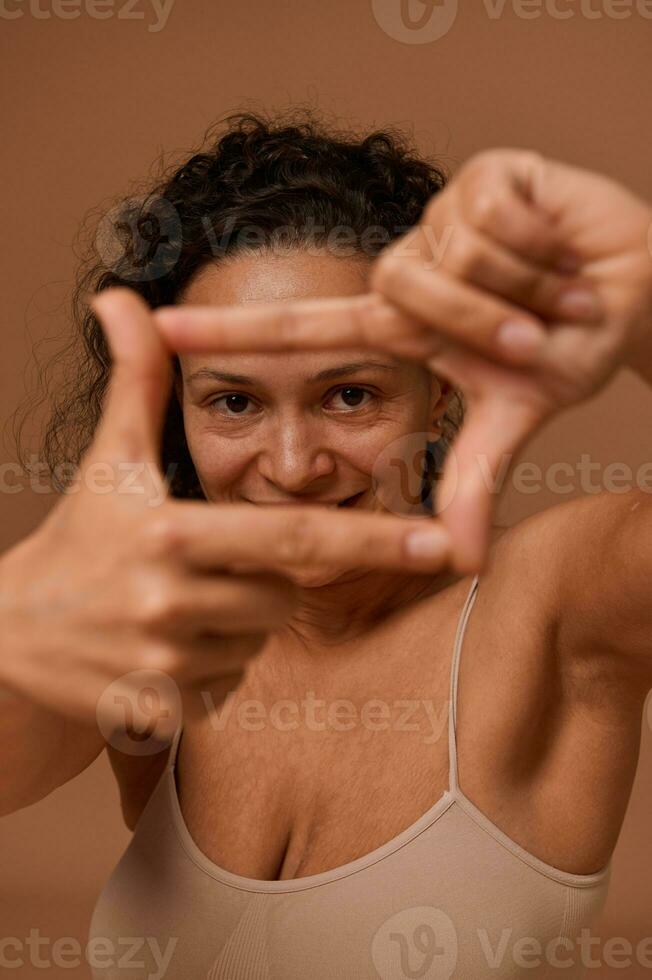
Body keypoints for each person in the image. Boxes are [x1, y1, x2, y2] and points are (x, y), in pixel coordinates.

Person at [1, 110, 650, 979]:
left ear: (444, 390)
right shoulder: (173, 623)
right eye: (233, 403)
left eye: (349, 394)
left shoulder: (548, 595)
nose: (295, 465)